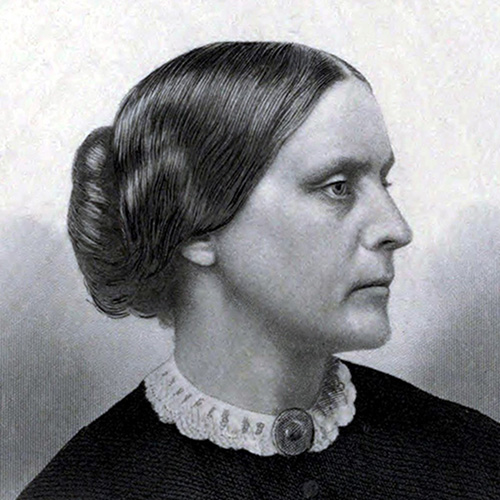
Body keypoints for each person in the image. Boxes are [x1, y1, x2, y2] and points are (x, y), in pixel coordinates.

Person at [19, 42, 499, 499]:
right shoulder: (84, 487)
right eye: (337, 187)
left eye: (383, 182)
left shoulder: (474, 458)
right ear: (196, 227)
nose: (396, 229)